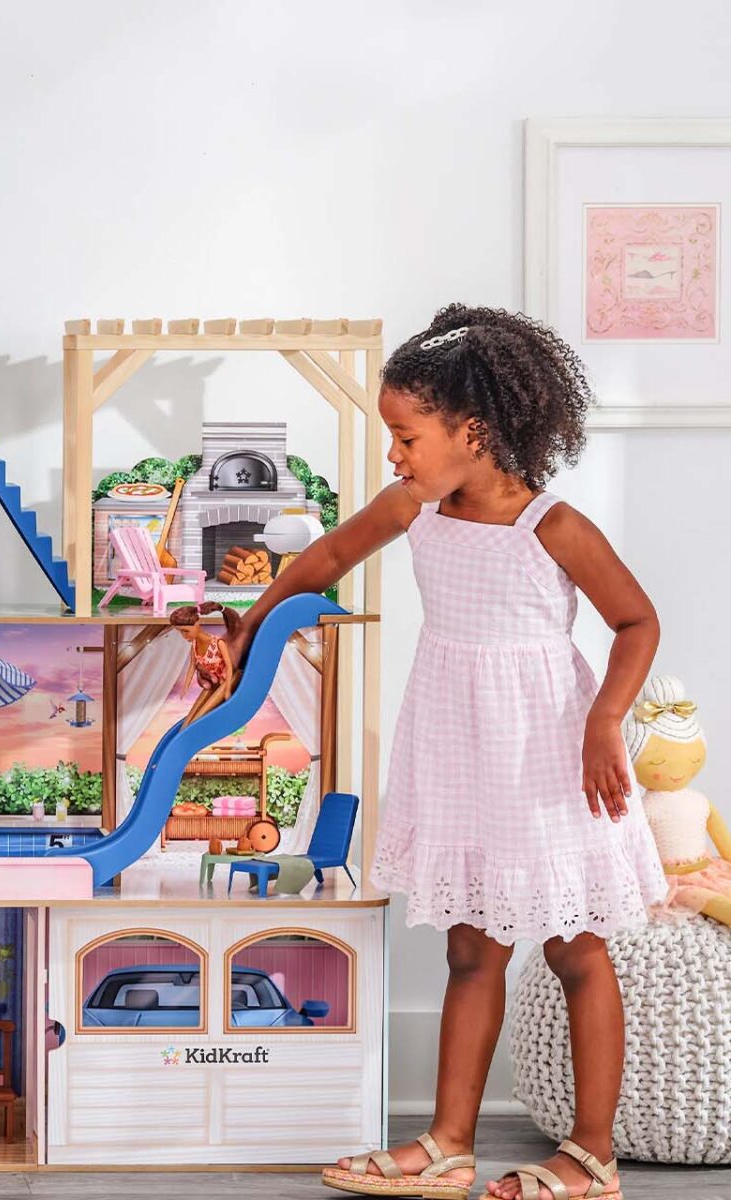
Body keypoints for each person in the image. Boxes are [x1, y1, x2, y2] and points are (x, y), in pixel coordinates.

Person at [226, 306, 666, 1200]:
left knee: (577, 948)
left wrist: (603, 722)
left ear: (474, 430)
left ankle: (591, 1155)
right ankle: (449, 1142)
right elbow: (325, 561)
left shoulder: (552, 524)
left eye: (404, 435)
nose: (395, 455)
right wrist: (254, 622)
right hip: (461, 747)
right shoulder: (414, 509)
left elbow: (636, 620)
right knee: (472, 949)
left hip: (547, 749)